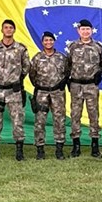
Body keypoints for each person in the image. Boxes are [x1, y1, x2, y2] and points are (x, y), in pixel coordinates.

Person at [0, 19, 30, 161]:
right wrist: (0, 78)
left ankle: (19, 151)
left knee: (17, 120)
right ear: (2, 30)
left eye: (11, 27)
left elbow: (26, 67)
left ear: (14, 30)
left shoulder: (21, 49)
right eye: (6, 27)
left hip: (14, 91)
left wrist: (17, 79)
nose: (8, 30)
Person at [66, 19, 102, 158]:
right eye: (83, 29)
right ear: (78, 31)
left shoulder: (98, 46)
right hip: (76, 85)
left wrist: (99, 75)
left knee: (93, 115)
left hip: (91, 85)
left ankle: (95, 146)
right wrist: (69, 81)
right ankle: (76, 146)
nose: (85, 32)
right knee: (75, 115)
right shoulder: (72, 46)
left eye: (88, 29)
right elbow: (68, 65)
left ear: (91, 30)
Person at [29, 31, 70, 160]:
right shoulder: (36, 58)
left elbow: (67, 73)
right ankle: (40, 149)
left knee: (59, 120)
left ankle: (59, 149)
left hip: (57, 93)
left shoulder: (61, 57)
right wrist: (40, 86)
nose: (48, 42)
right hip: (42, 92)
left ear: (54, 42)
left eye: (50, 40)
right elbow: (32, 75)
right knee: (40, 121)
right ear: (42, 42)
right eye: (46, 40)